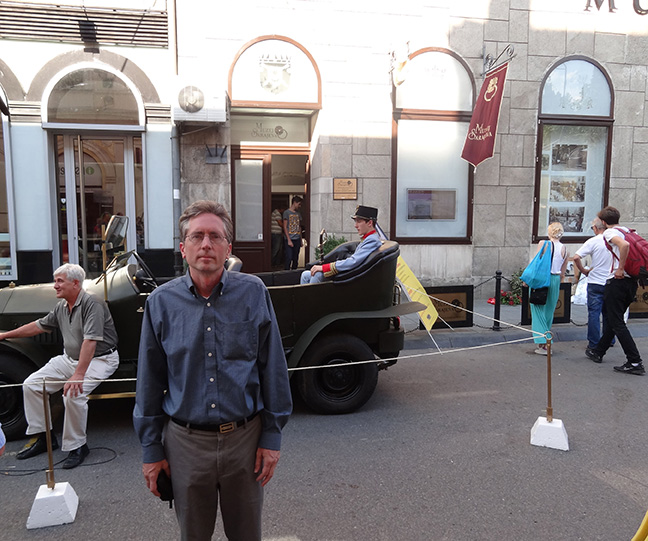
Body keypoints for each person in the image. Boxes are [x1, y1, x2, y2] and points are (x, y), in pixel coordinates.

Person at [133, 200, 292, 541]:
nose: (206, 244)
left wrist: (272, 436)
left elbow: (273, 368)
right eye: (197, 236)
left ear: (228, 247)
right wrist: (151, 450)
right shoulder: (160, 303)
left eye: (215, 236)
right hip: (185, 445)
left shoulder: (253, 293)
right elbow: (149, 381)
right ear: (183, 247)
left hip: (245, 443)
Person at [0, 263, 119, 468]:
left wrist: (78, 375)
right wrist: (5, 335)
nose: (55, 285)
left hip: (100, 360)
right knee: (33, 384)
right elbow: (39, 326)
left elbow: (90, 342)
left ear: (75, 283)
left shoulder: (93, 303)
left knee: (73, 393)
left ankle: (78, 446)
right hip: (69, 358)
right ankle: (44, 439)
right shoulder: (62, 306)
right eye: (55, 281)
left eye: (59, 281)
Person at [585, 206, 645, 375]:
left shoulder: (610, 233)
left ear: (603, 222)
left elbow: (624, 245)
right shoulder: (627, 230)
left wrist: (620, 268)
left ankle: (634, 361)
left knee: (617, 322)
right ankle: (598, 351)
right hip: (631, 282)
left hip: (618, 282)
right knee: (614, 318)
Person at [301, 205, 382, 284]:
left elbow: (353, 262)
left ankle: (311, 298)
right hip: (351, 275)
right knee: (305, 275)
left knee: (317, 274)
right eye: (355, 221)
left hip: (353, 279)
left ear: (370, 223)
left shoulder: (372, 240)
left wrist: (324, 267)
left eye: (359, 221)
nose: (355, 225)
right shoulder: (368, 239)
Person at [573, 218, 614, 351]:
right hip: (610, 280)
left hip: (595, 281)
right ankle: (609, 339)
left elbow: (576, 257)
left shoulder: (594, 241)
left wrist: (583, 270)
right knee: (609, 313)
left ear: (596, 228)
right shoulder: (614, 240)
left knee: (594, 314)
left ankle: (594, 343)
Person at [530, 222, 568, 355]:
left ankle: (544, 342)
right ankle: (545, 343)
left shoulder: (543, 244)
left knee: (538, 310)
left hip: (542, 279)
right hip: (555, 279)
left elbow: (536, 262)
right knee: (549, 311)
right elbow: (563, 272)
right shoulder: (564, 248)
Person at [283, 195, 303, 270]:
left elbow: (299, 227)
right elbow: (285, 227)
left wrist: (301, 240)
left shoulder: (298, 213)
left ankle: (294, 273)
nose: (300, 206)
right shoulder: (286, 213)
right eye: (299, 204)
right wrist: (288, 240)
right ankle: (286, 273)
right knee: (289, 257)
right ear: (294, 203)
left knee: (296, 258)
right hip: (289, 239)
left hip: (297, 238)